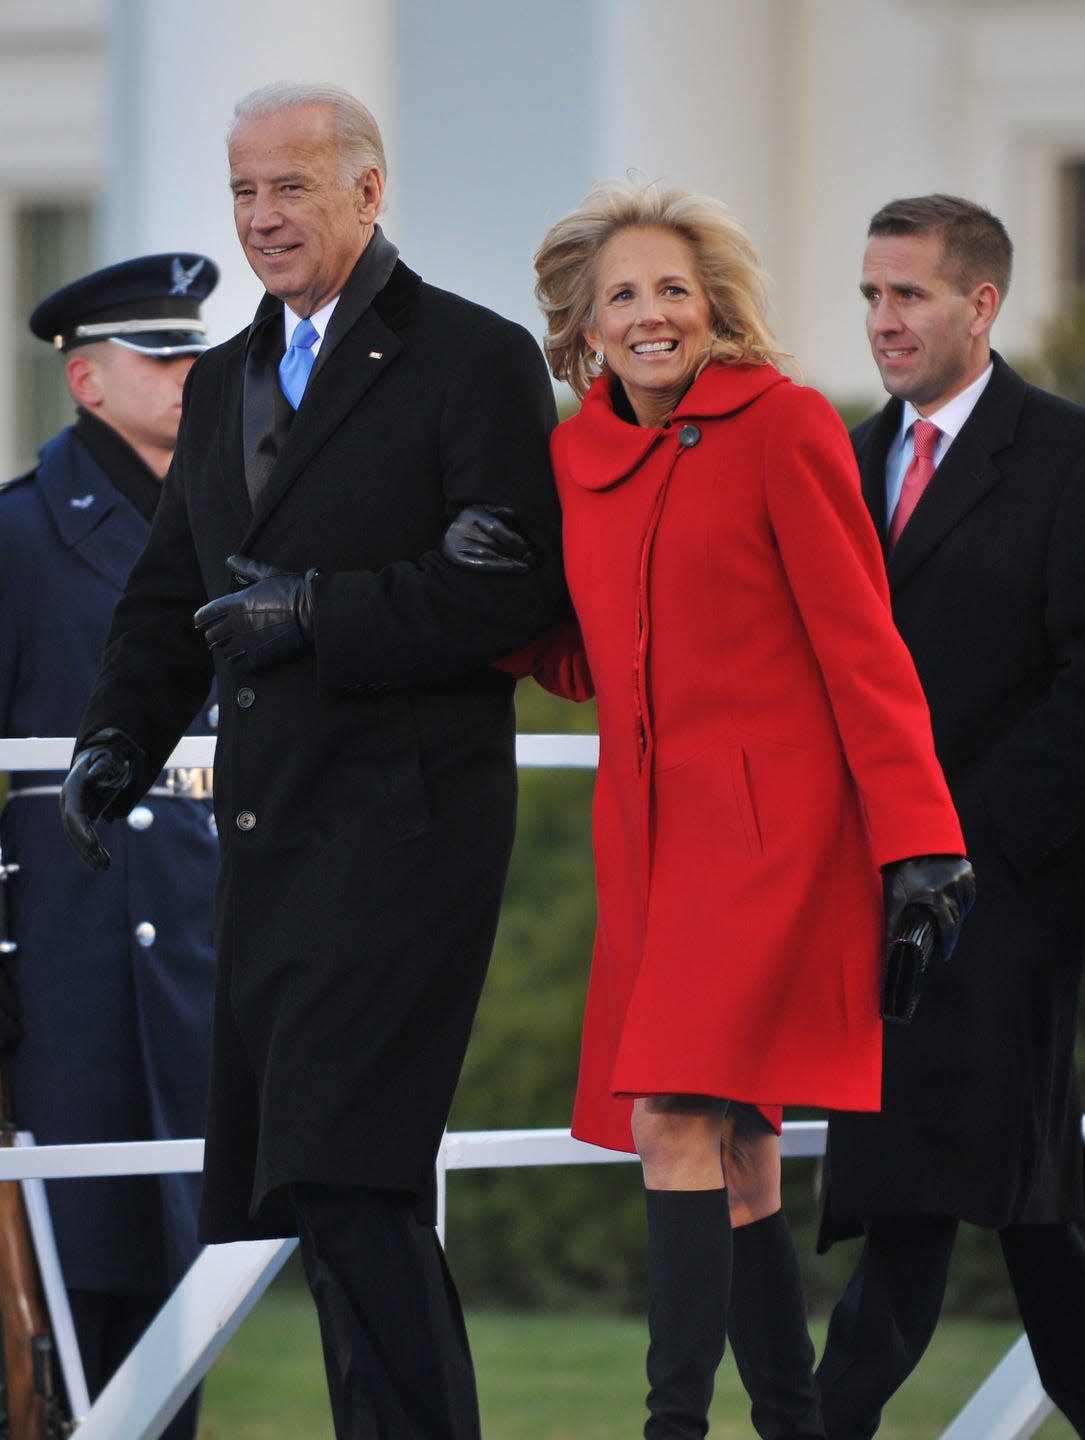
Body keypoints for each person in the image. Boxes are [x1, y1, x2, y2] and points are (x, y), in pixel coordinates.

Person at [58, 81, 565, 1440]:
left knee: (347, 1179)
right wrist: (118, 737)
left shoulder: (473, 356)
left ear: (367, 190)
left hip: (408, 844)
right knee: (326, 1196)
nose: (263, 217)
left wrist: (311, 614)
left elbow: (514, 597)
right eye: (242, 192)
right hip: (271, 850)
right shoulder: (222, 376)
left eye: (289, 187)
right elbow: (171, 598)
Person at [449, 178, 974, 1440]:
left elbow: (863, 647)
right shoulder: (577, 456)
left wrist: (920, 842)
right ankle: (787, 1423)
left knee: (669, 1113)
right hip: (645, 846)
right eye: (619, 295)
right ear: (580, 328)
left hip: (765, 843)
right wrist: (503, 613)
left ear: (712, 309)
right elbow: (593, 662)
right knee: (732, 1152)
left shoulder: (783, 425)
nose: (648, 315)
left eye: (671, 290)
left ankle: (669, 1427)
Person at [815, 194, 1085, 1439]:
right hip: (866, 901)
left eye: (906, 294)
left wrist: (950, 844)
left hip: (1009, 895)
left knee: (973, 1187)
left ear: (980, 304)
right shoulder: (841, 460)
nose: (880, 321)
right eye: (869, 293)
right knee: (982, 1195)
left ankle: (819, 1421)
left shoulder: (1065, 456)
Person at [0, 253, 221, 1439]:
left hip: (202, 947)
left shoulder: (241, 516)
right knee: (71, 1291)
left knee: (197, 1270)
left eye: (197, 353)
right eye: (163, 357)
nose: (192, 375)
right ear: (87, 382)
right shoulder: (22, 537)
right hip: (66, 966)